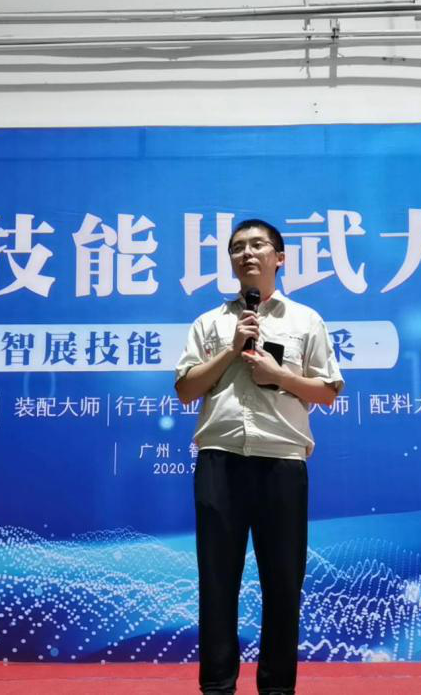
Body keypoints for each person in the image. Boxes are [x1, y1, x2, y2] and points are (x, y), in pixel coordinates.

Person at [174, 219, 344, 695]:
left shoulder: (305, 320)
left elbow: (328, 391)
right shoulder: (209, 322)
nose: (246, 253)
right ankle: (217, 686)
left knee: (283, 583)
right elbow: (186, 389)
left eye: (257, 245)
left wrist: (280, 375)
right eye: (237, 248)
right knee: (217, 582)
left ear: (279, 258)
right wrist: (231, 350)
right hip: (220, 459)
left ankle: (276, 688)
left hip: (281, 460)